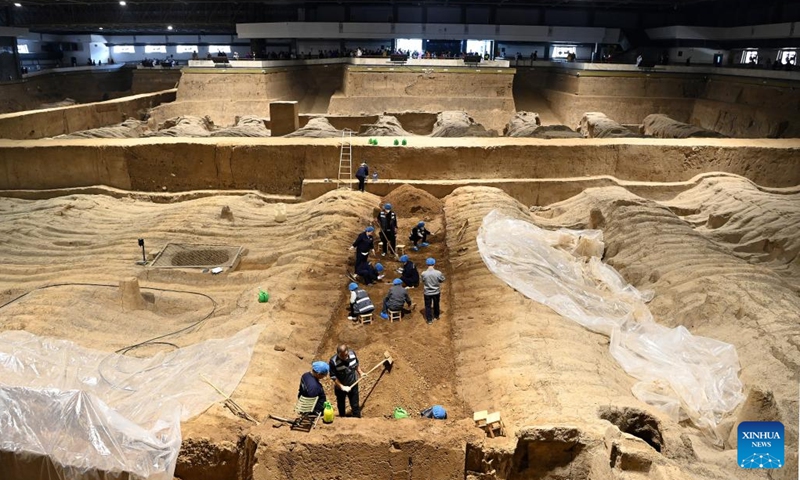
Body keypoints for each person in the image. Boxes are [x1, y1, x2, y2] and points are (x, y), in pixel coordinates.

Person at [329, 344, 364, 418]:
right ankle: (342, 418)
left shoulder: (352, 354)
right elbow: (333, 377)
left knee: (355, 404)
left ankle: (356, 418)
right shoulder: (333, 361)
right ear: (337, 354)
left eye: (345, 355)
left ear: (347, 351)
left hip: (353, 383)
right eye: (341, 356)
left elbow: (356, 364)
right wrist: (342, 387)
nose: (344, 357)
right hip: (340, 387)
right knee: (341, 405)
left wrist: (361, 373)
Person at [421, 258, 445, 324]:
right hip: (436, 292)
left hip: (427, 292)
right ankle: (436, 316)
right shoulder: (438, 273)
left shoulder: (423, 273)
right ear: (434, 264)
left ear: (427, 264)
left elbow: (423, 280)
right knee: (436, 304)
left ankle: (429, 320)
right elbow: (442, 280)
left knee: (428, 306)